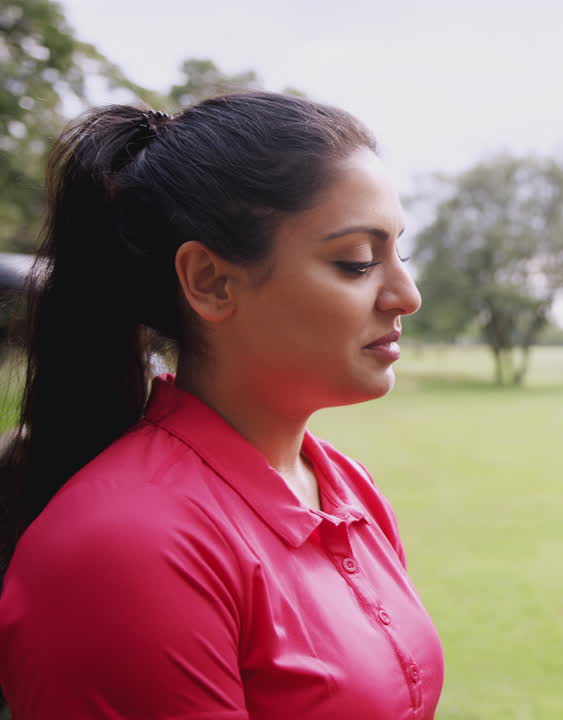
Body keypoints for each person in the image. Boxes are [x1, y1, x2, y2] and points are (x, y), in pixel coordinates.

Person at [0, 92, 443, 718]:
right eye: (357, 262)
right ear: (210, 281)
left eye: (400, 251)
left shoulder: (345, 488)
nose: (407, 294)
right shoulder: (128, 550)